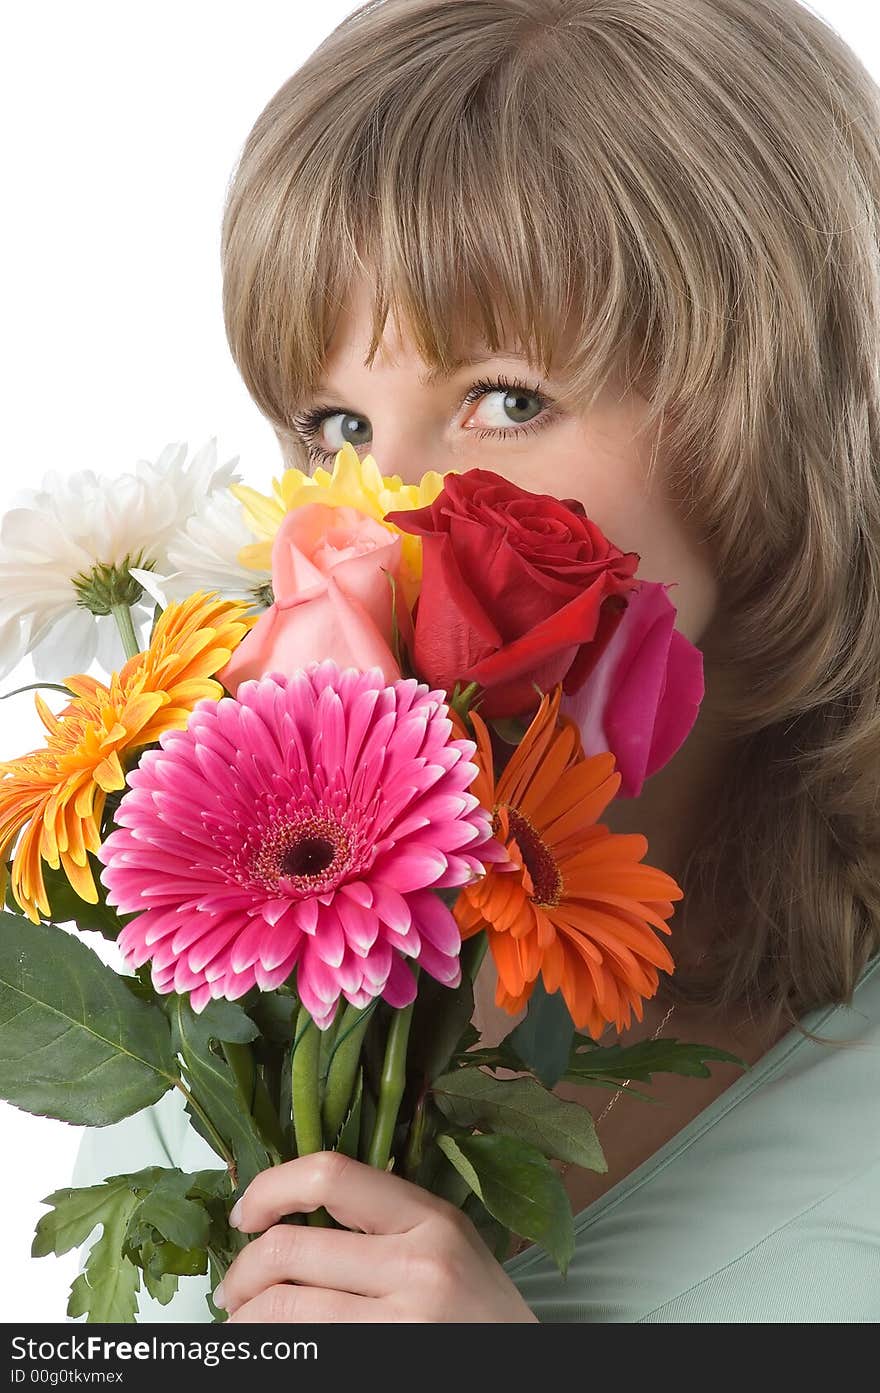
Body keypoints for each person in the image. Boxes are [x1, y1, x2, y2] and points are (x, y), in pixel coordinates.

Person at [71, 0, 880, 1321]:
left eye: (506, 400)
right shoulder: (190, 1054)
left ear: (785, 438)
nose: (381, 504)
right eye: (334, 419)